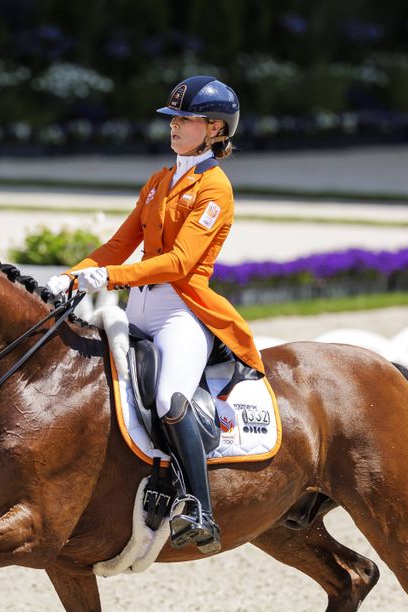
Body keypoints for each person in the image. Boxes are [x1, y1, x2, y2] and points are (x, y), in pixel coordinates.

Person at [47, 76, 266, 555]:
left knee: (169, 398)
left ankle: (198, 507)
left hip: (181, 313)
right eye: (174, 119)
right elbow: (118, 244)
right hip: (138, 308)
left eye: (185, 119)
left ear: (214, 129)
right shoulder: (159, 181)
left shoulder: (215, 188)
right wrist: (67, 277)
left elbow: (181, 263)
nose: (175, 127)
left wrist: (110, 278)